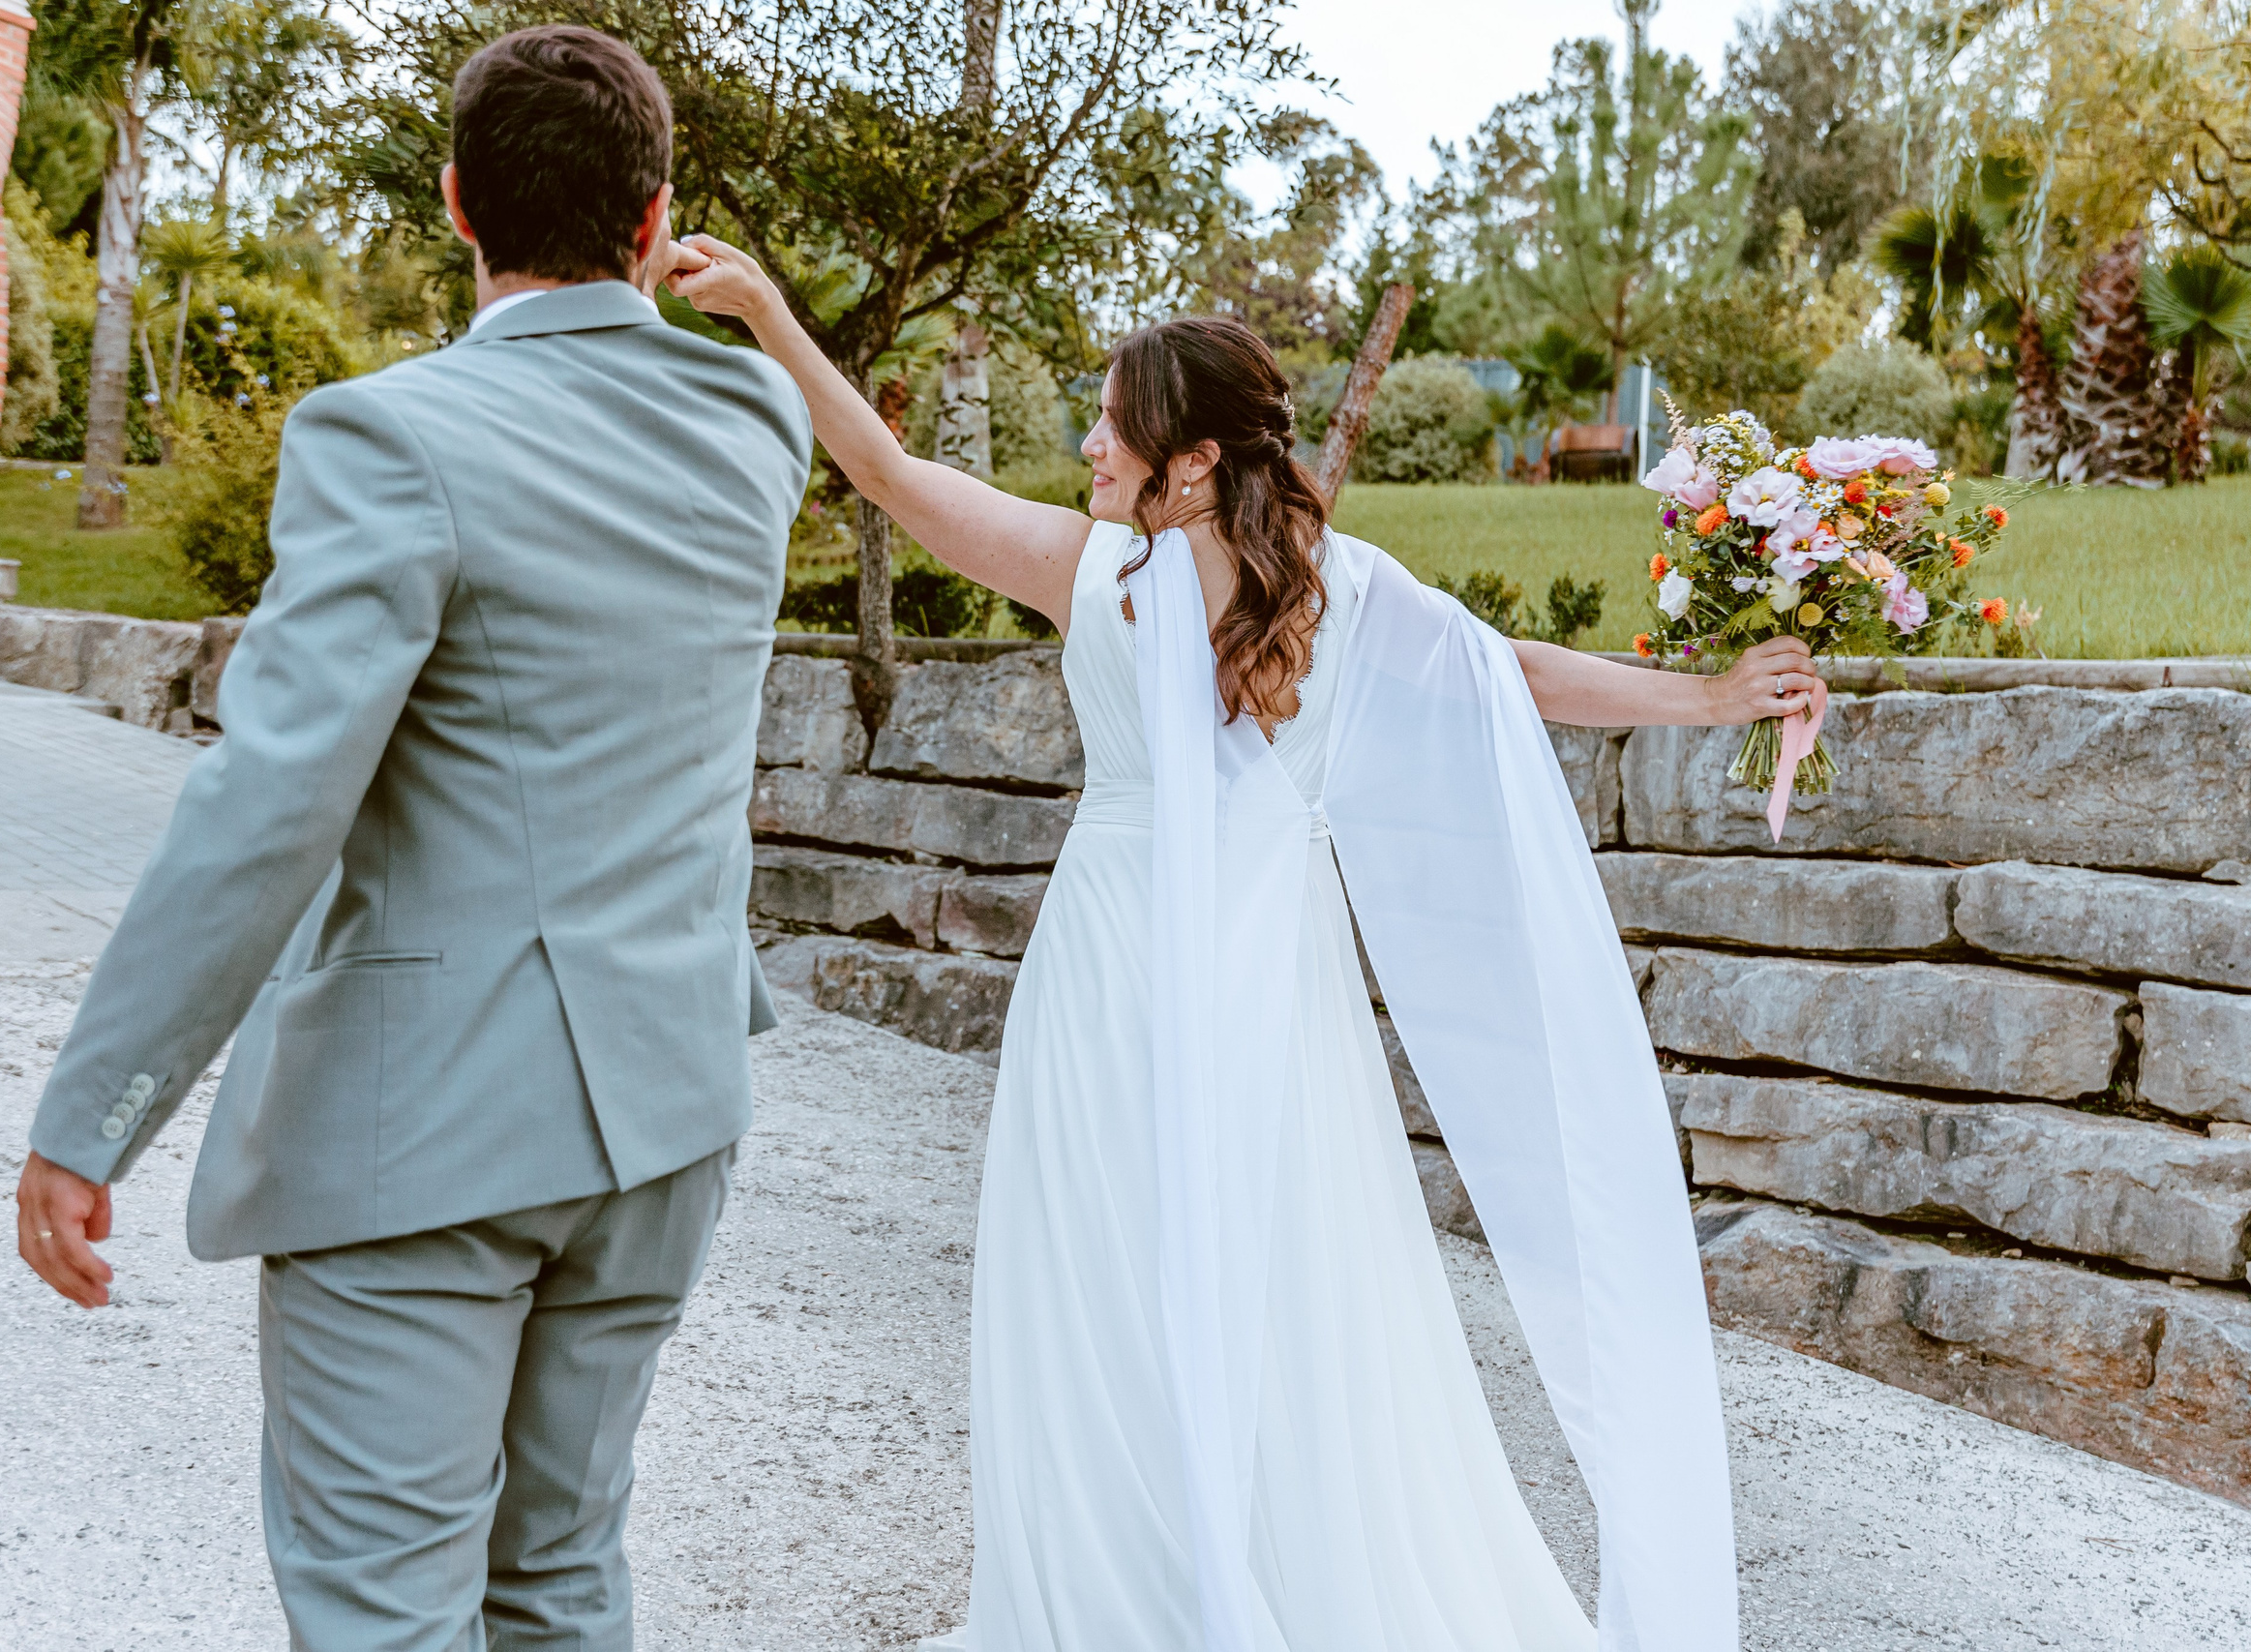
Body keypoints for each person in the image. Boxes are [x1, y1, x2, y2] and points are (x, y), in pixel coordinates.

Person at [671, 237, 1816, 1652]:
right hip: (1187, 982)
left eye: (1113, 424)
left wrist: (1709, 701)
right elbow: (899, 481)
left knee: (1202, 1277)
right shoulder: (1206, 577)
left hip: (1181, 972)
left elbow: (1503, 677)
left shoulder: (1171, 580)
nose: (1087, 442)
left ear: (1195, 462)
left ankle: (1169, 1588)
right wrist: (773, 316)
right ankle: (1175, 1570)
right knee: (1175, 1272)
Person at [13, 28, 811, 1648]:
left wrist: (94, 1112)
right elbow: (744, 375)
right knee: (562, 1584)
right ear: (656, 221)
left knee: (386, 1615)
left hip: (431, 1135)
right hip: (666, 1121)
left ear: (455, 204)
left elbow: (272, 802)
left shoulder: (393, 437)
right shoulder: (757, 432)